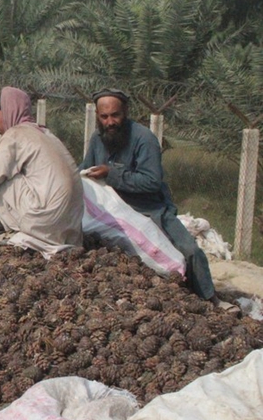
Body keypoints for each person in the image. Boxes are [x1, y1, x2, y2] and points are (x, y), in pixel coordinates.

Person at [80, 88, 219, 303]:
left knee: (189, 251)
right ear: (97, 116)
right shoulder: (97, 139)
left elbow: (151, 182)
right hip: (113, 210)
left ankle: (209, 298)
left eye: (115, 115)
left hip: (148, 208)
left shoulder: (144, 138)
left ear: (125, 112)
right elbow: (86, 167)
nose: (110, 122)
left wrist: (112, 173)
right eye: (104, 117)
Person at [0, 87, 84, 257]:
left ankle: (18, 231)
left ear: (9, 111)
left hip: (43, 221)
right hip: (71, 230)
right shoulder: (45, 133)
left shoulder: (15, 134)